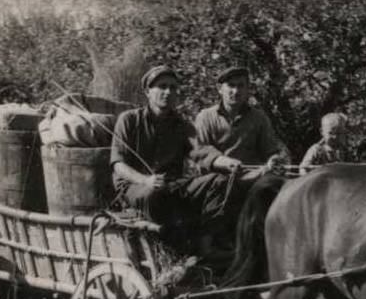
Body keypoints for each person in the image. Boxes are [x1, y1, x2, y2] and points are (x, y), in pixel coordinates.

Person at [110, 65, 233, 253]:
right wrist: (146, 180)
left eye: (173, 88)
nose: (168, 92)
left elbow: (201, 151)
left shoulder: (182, 126)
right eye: (162, 86)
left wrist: (227, 162)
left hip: (172, 186)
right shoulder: (129, 120)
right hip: (134, 188)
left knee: (219, 181)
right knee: (153, 195)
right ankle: (171, 249)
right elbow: (119, 164)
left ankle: (205, 245)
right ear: (147, 91)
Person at [194, 66, 290, 178]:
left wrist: (274, 160)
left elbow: (270, 151)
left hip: (254, 179)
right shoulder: (205, 117)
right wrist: (224, 162)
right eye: (231, 85)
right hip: (217, 181)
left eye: (241, 86)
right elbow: (200, 153)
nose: (236, 91)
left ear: (247, 89)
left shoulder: (259, 117)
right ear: (220, 89)